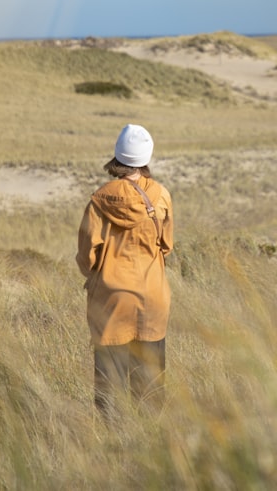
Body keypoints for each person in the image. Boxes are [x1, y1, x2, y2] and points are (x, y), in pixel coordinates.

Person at [76, 124, 174, 418]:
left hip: (110, 300)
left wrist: (97, 274)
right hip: (152, 298)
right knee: (151, 389)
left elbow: (87, 257)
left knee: (109, 389)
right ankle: (152, 447)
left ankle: (112, 451)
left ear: (117, 157)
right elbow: (166, 246)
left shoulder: (99, 200)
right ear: (146, 157)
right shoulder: (161, 196)